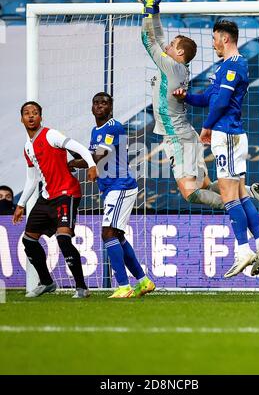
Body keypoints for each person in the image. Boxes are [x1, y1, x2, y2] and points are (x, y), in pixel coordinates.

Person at [140, 0, 259, 215]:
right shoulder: (174, 66)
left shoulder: (171, 68)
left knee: (190, 193)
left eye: (172, 45)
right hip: (183, 134)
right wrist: (156, 10)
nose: (168, 45)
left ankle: (239, 204)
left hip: (178, 137)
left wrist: (148, 7)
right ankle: (247, 195)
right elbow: (159, 37)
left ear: (179, 52)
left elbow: (148, 39)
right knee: (204, 185)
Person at [176, 20, 259, 278]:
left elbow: (220, 102)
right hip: (229, 135)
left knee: (229, 195)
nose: (213, 43)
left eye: (214, 38)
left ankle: (243, 250)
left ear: (225, 38)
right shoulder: (224, 67)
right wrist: (185, 96)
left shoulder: (236, 65)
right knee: (240, 194)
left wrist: (206, 127)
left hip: (228, 134)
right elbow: (209, 97)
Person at [69, 92, 155, 298]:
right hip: (110, 188)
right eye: (96, 103)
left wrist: (71, 163)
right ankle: (144, 282)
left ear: (111, 107)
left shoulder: (113, 127)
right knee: (117, 235)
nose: (99, 106)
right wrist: (68, 149)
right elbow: (90, 157)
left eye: (104, 103)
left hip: (121, 186)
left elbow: (98, 157)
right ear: (92, 108)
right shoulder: (96, 130)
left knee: (107, 234)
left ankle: (124, 286)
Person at [13, 101, 98, 298]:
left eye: (35, 113)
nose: (31, 116)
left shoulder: (51, 135)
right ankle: (47, 282)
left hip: (66, 193)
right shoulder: (28, 147)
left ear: (41, 117)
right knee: (28, 240)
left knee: (63, 239)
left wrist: (92, 164)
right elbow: (32, 178)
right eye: (27, 113)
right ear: (22, 119)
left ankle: (81, 288)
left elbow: (77, 146)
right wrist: (21, 204)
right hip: (46, 197)